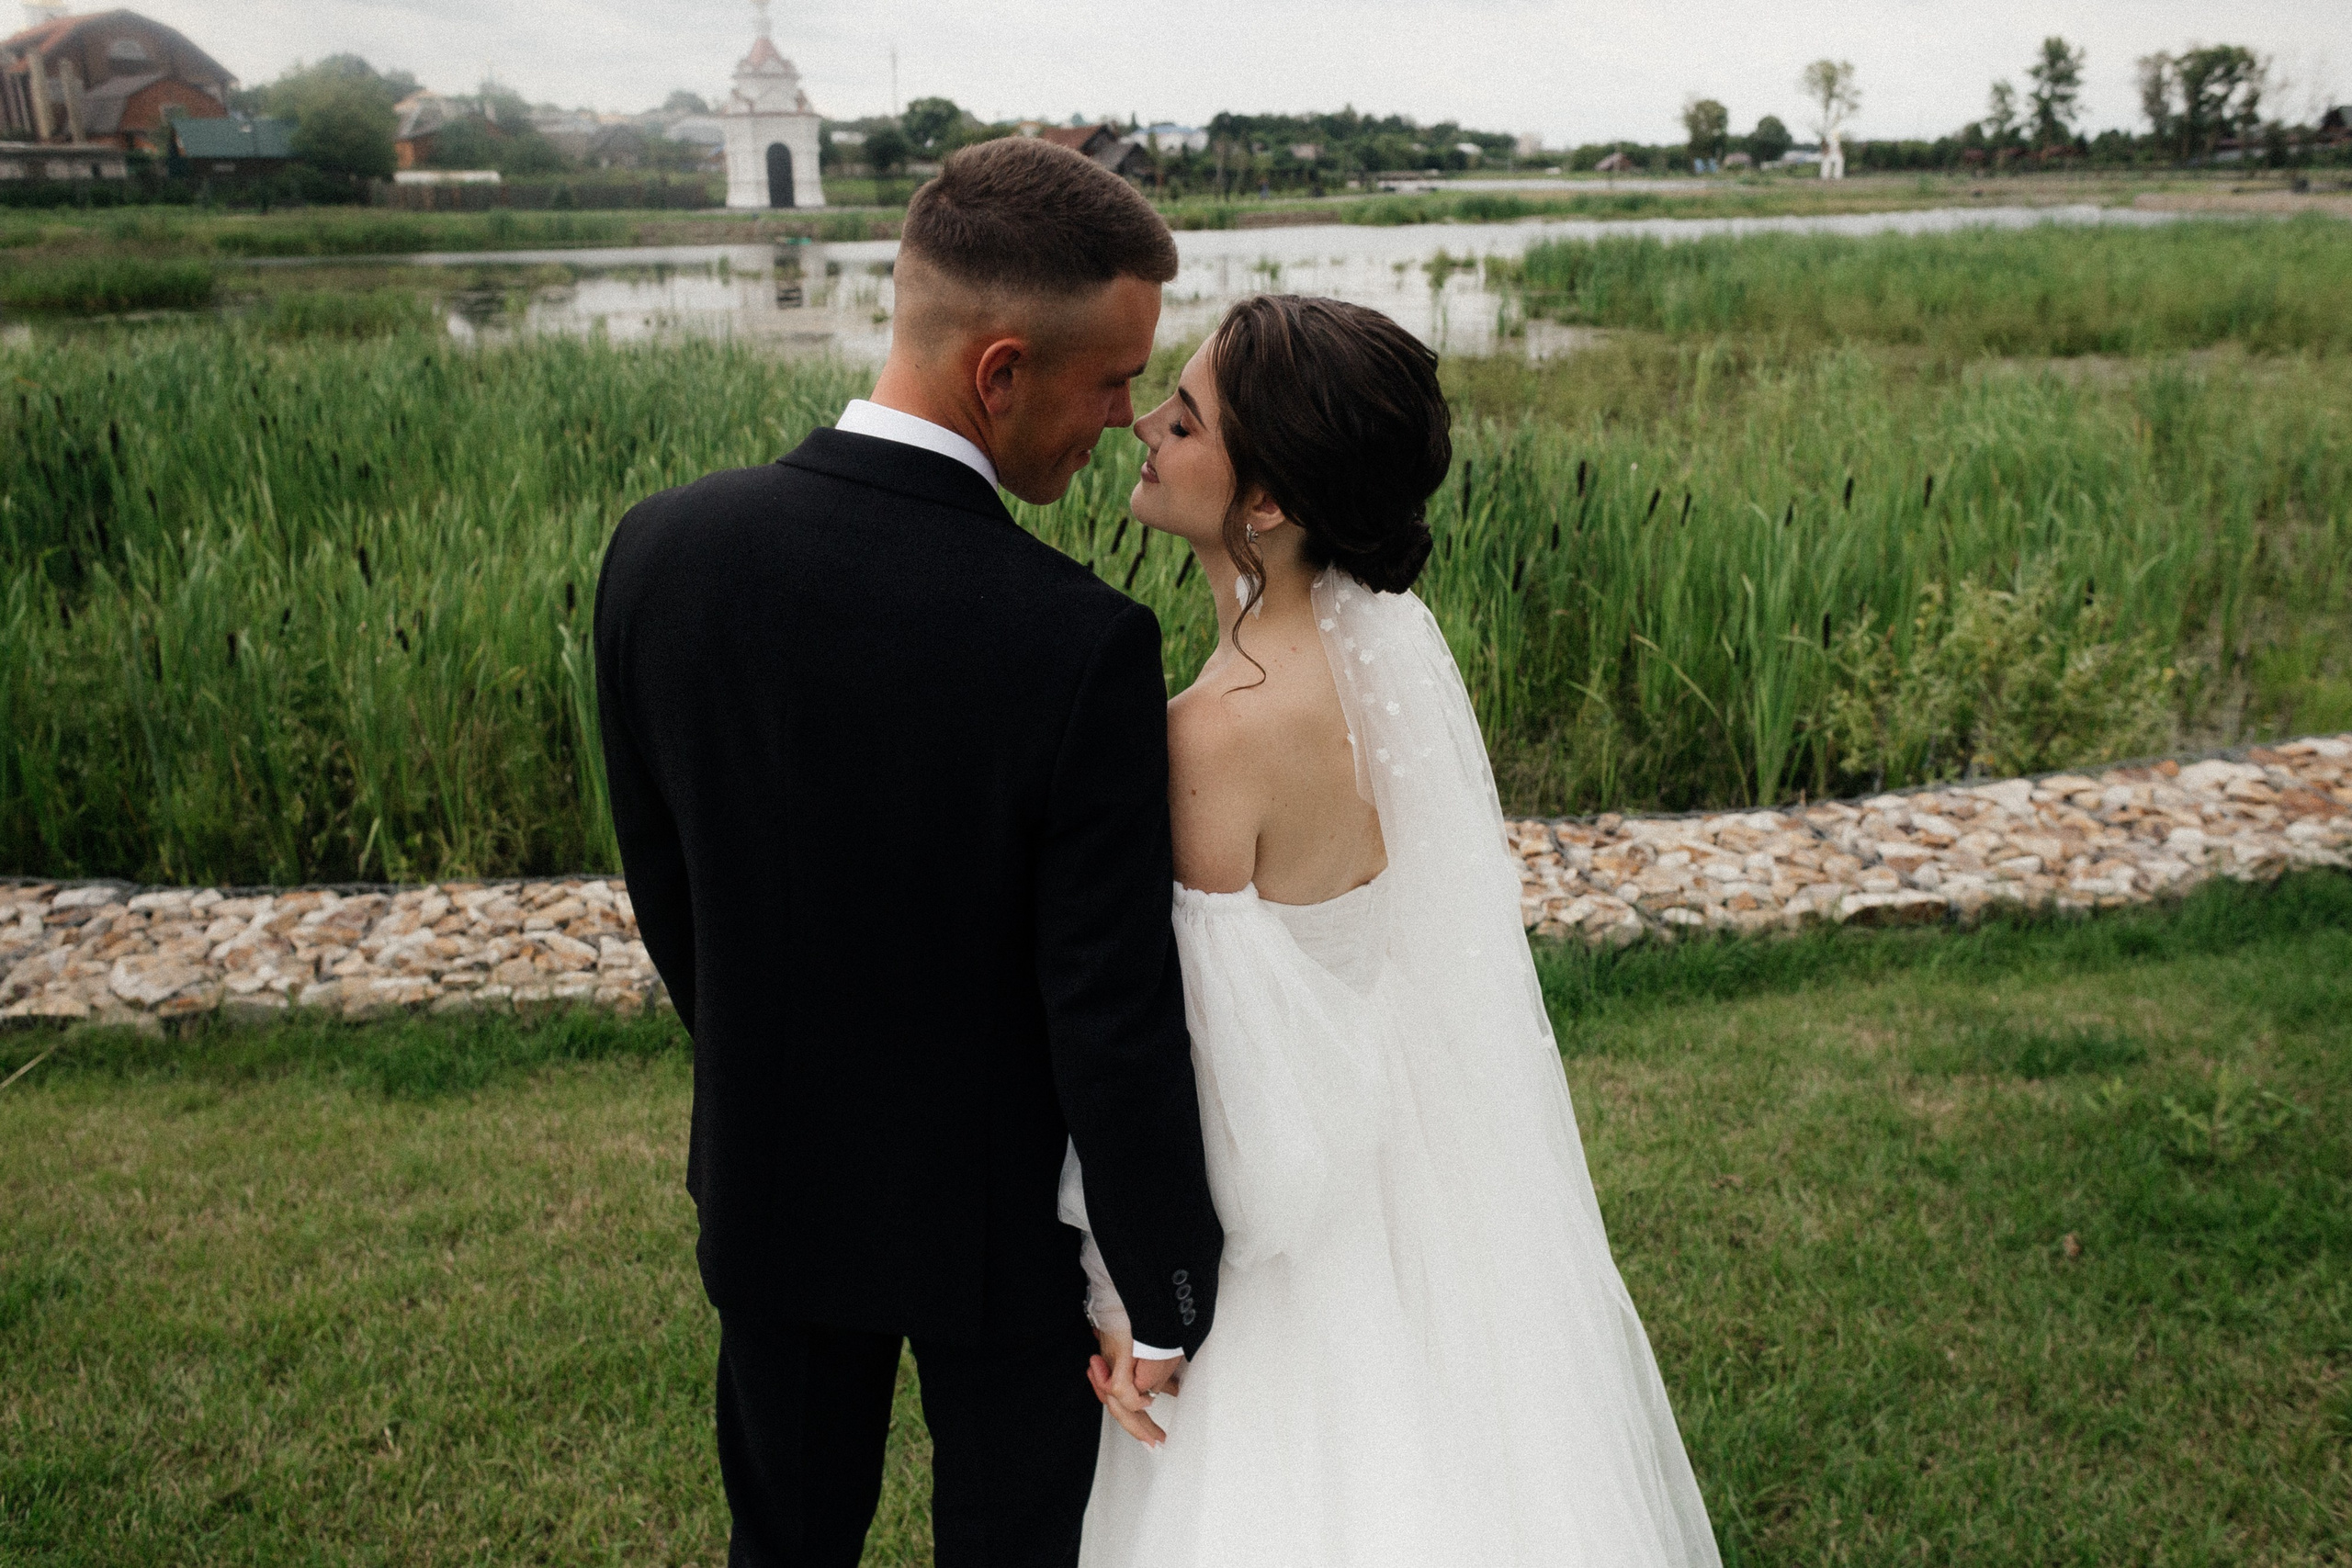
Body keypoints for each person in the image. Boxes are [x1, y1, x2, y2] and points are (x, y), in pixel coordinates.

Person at [593, 138, 1223, 1567]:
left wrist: (771, 1071)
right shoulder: (1079, 640)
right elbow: (1106, 1009)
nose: (1131, 420)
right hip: (1001, 1236)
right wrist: (1169, 1282)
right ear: (1001, 371)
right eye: (1117, 379)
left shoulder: (661, 553)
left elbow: (672, 891)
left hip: (774, 1180)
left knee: (786, 1545)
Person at [1062, 295, 1723, 1567]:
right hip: (1406, 1175)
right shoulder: (1377, 662)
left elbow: (1212, 1082)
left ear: (1264, 505)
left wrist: (1132, 1299)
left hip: (1292, 1246)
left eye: (1184, 418)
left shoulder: (1215, 733)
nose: (1143, 424)